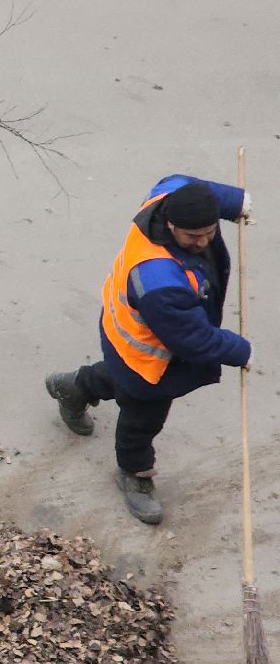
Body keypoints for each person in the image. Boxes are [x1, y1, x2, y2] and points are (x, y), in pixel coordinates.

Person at [46, 175, 252, 524]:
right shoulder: (160, 280)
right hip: (148, 361)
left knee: (122, 380)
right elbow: (193, 340)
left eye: (209, 232)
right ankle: (134, 472)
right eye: (192, 236)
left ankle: (74, 387)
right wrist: (238, 349)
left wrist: (234, 202)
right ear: (171, 225)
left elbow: (180, 181)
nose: (202, 242)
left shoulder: (162, 200)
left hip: (125, 336)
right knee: (142, 419)